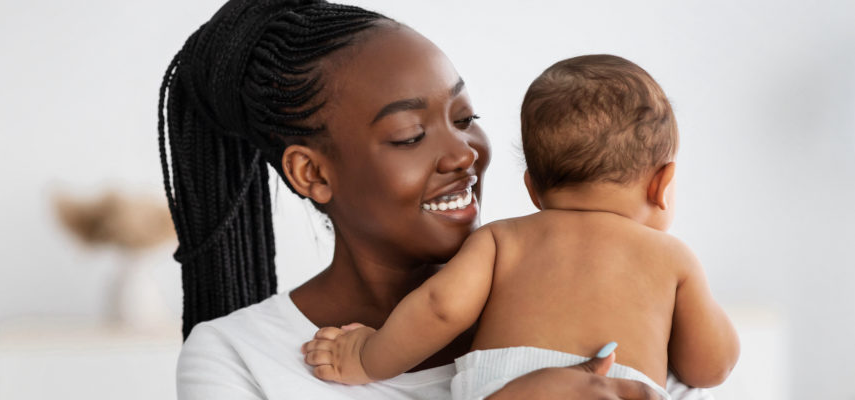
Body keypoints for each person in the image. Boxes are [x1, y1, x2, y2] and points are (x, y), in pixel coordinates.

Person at [159, 0, 713, 398]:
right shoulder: (239, 357)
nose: (462, 154)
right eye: (409, 135)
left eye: (466, 118)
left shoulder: (626, 311)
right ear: (313, 172)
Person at [301, 54, 740, 400]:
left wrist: (364, 358)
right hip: (618, 388)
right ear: (662, 185)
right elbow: (709, 368)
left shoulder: (501, 239)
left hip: (499, 389)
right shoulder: (670, 259)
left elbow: (440, 308)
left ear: (532, 187)